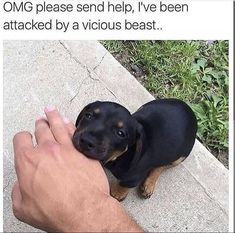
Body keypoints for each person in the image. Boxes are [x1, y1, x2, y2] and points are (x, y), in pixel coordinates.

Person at [12, 106, 143, 232]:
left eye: (120, 133)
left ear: (135, 147)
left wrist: (83, 216)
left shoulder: (134, 162)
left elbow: (134, 176)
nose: (89, 139)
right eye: (89, 116)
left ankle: (158, 170)